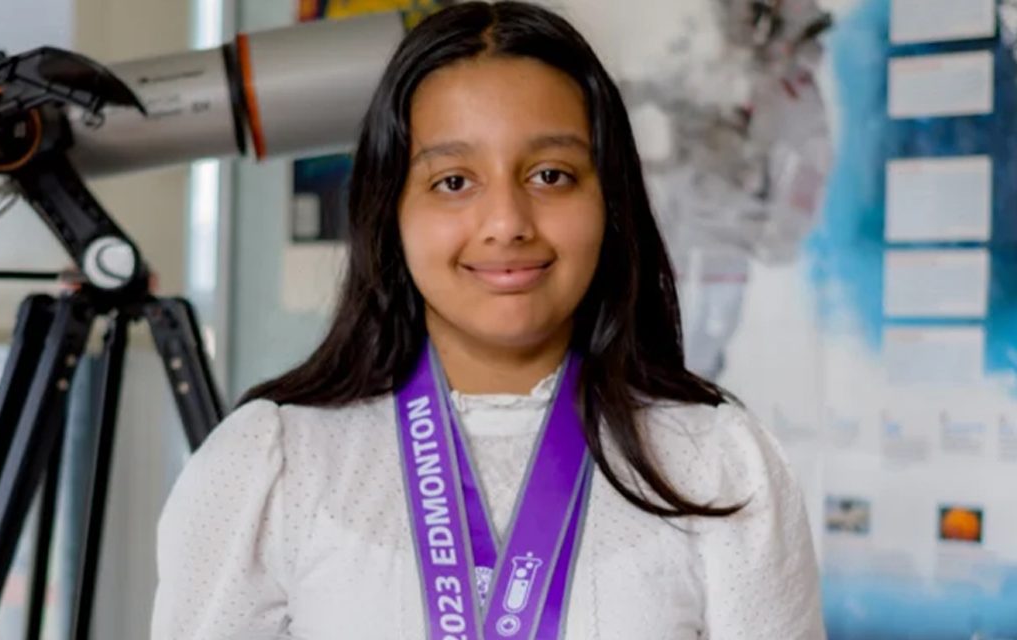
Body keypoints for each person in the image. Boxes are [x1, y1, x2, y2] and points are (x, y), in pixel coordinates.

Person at [150, 2, 825, 638]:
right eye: (453, 182)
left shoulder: (717, 465)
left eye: (552, 175)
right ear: (391, 212)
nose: (507, 223)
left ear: (610, 200)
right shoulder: (271, 464)